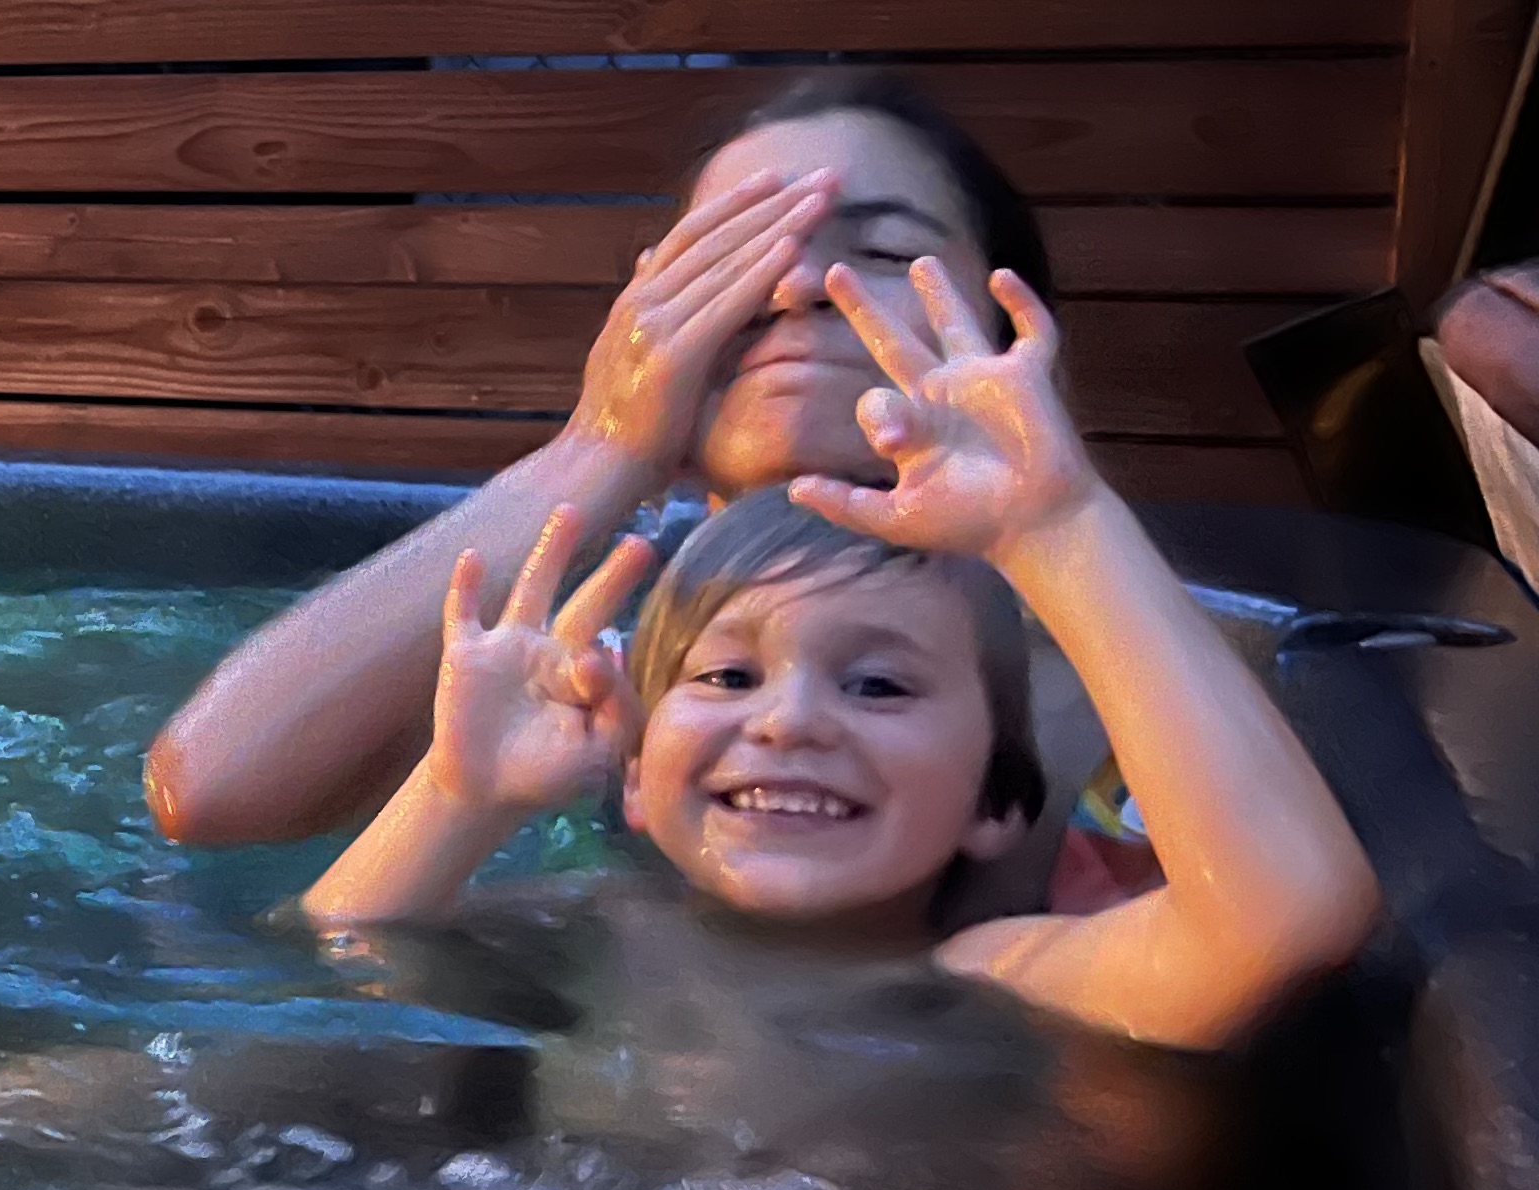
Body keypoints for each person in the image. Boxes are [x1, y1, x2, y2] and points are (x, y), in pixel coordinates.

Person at [305, 257, 1380, 1056]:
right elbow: (338, 959)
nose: (788, 721)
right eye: (726, 676)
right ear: (634, 778)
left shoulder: (997, 975)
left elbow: (1281, 925)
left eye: (877, 684)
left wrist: (1062, 528)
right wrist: (459, 796)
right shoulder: (597, 925)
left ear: (992, 802)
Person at [147, 71, 1068, 857]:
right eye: (727, 262)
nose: (791, 287)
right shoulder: (582, 651)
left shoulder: (1091, 669)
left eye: (882, 251)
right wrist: (603, 442)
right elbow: (209, 797)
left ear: (1010, 330)